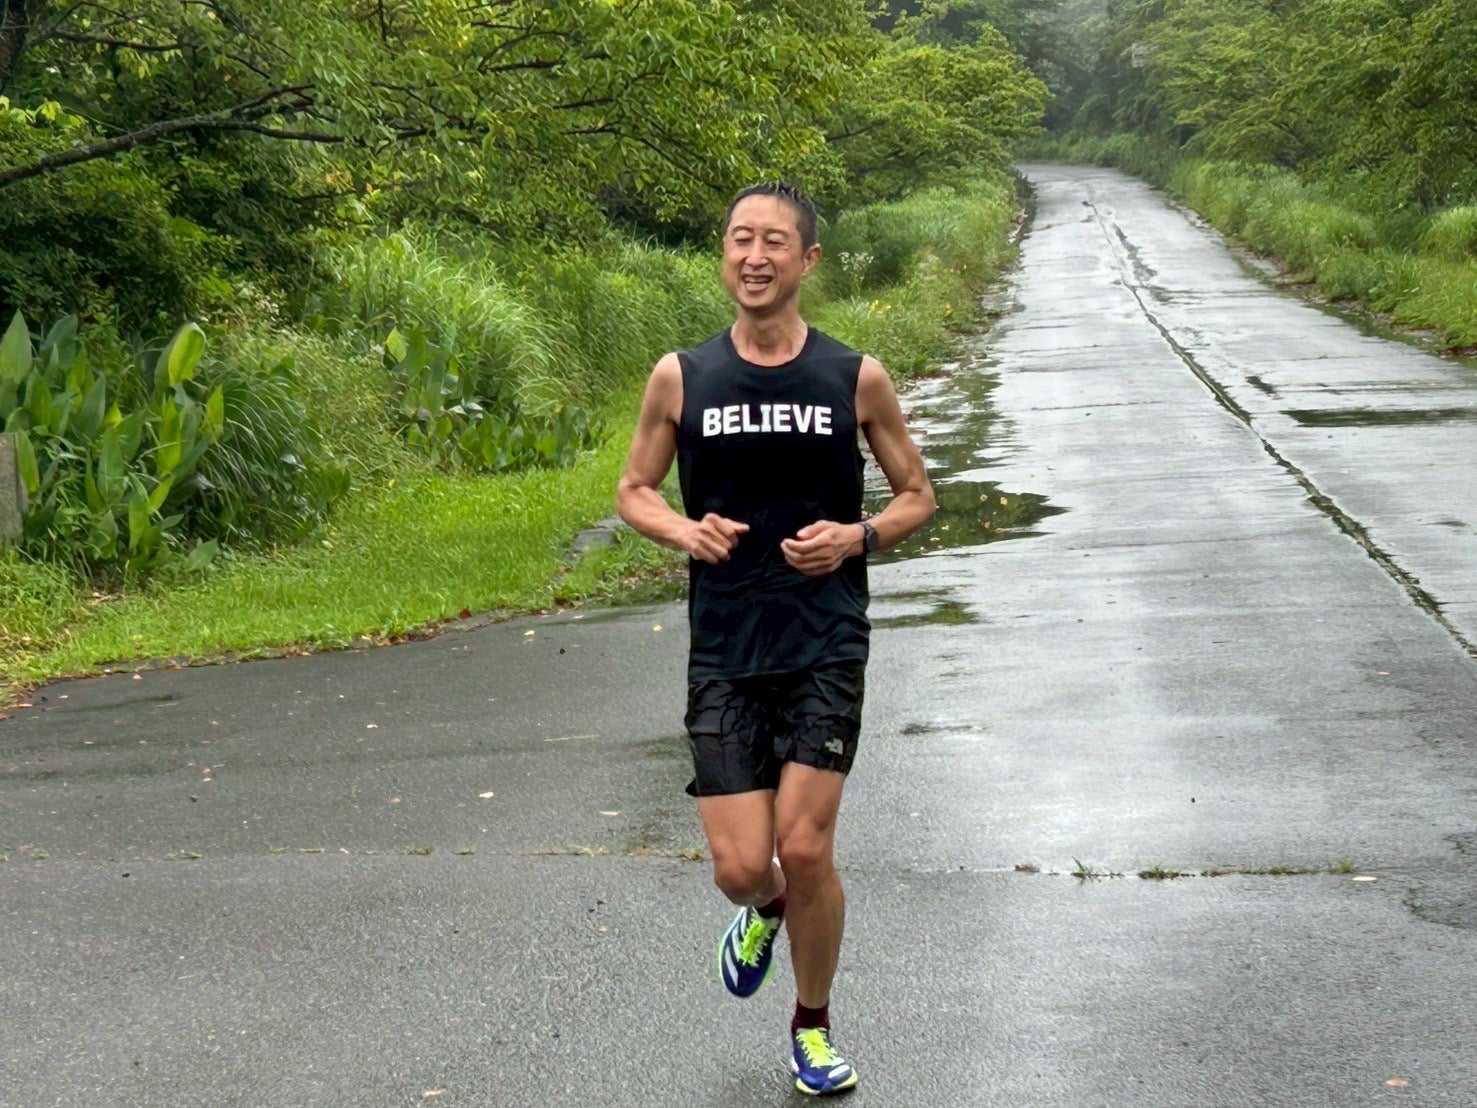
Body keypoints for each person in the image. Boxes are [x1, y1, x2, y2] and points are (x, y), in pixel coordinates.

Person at [615, 182, 936, 1096]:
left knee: (804, 846)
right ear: (723, 254)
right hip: (725, 647)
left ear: (807, 260)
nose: (753, 257)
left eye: (772, 243)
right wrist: (685, 531)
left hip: (824, 639)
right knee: (739, 867)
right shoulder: (682, 376)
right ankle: (763, 910)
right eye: (738, 240)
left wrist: (855, 537)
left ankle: (812, 1026)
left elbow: (916, 495)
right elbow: (634, 490)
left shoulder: (852, 376)